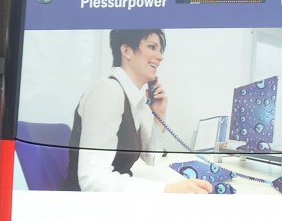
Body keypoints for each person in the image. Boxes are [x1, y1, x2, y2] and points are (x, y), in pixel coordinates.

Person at [65, 28, 211, 194]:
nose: (160, 57)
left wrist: (159, 115)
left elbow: (152, 158)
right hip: (88, 207)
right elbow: (93, 180)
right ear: (126, 50)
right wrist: (166, 190)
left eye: (160, 50)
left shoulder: (132, 99)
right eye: (152, 47)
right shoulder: (107, 91)